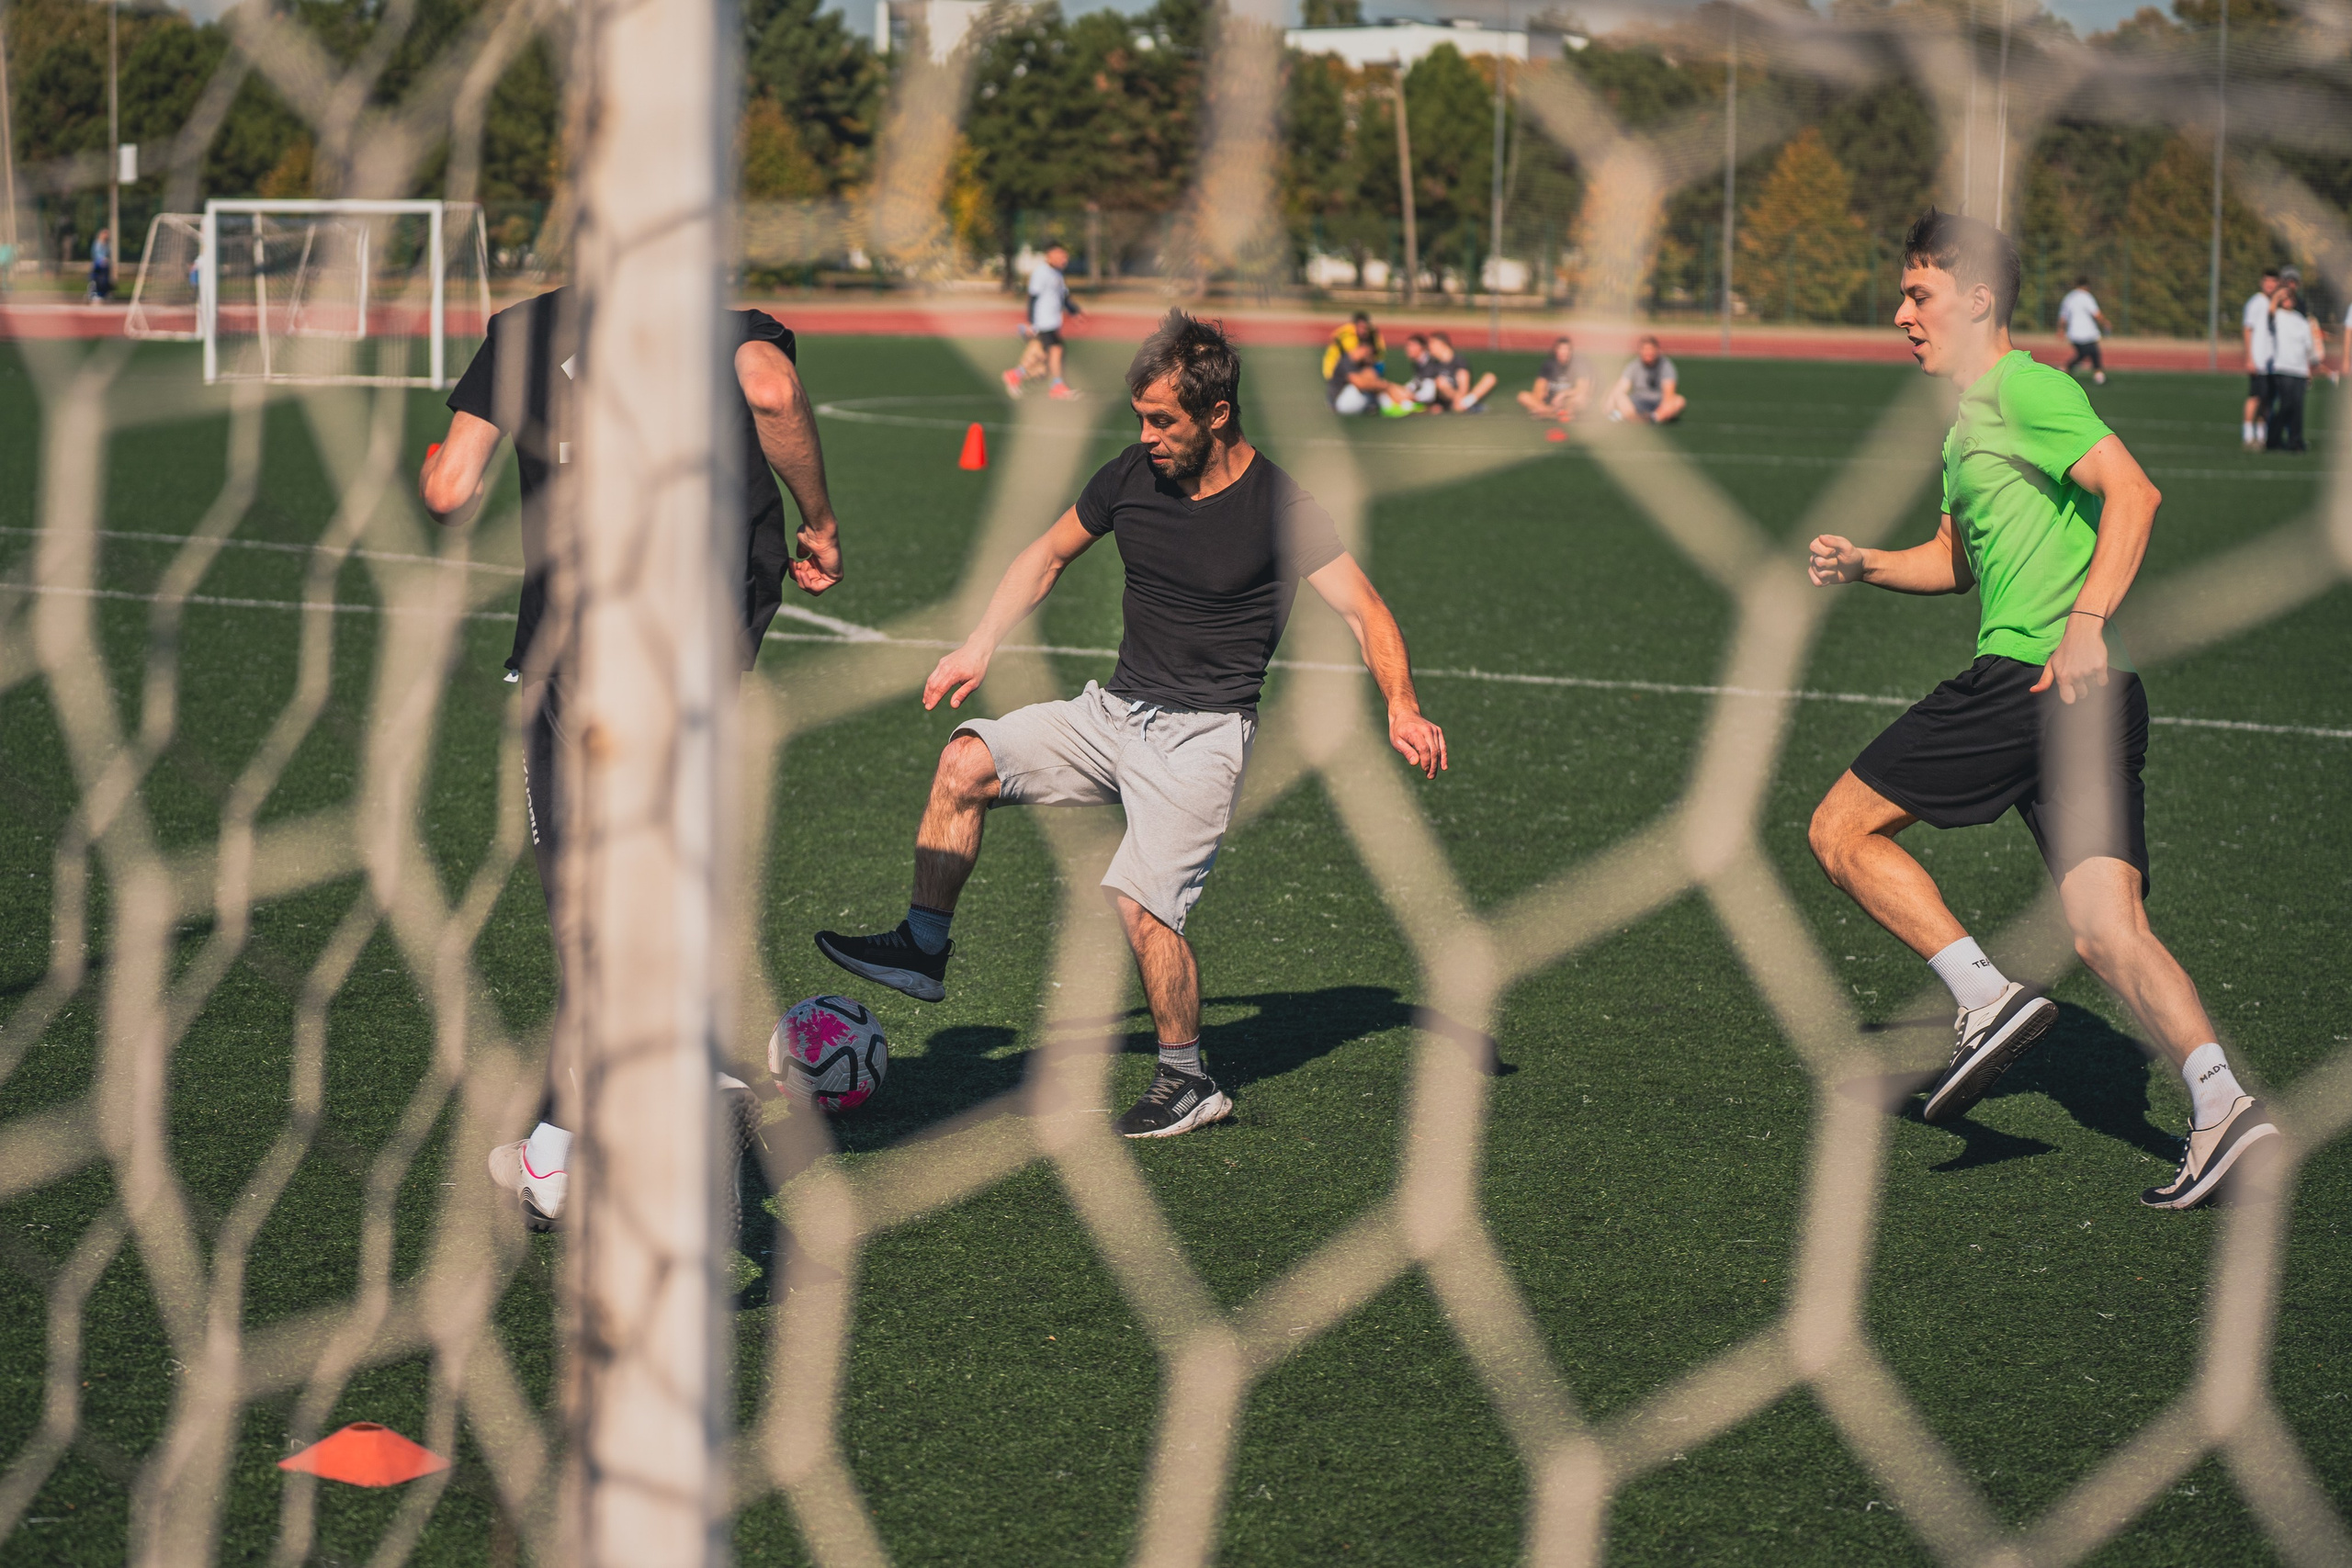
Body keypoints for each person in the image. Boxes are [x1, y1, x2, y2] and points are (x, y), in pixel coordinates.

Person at [814, 310, 1447, 1138]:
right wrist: (979, 642)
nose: (1146, 437)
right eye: (1140, 418)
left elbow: (1366, 611)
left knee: (1141, 904)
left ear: (1217, 413)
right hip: (1112, 712)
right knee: (966, 760)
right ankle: (924, 944)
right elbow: (1047, 554)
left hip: (1204, 736)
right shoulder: (1131, 475)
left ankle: (1188, 1079)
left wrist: (1401, 701)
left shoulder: (1280, 505)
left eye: (1162, 421)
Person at [1806, 209, 2273, 1210]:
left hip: (2036, 678)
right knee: (2106, 930)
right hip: (2092, 699)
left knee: (1839, 830)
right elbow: (1954, 562)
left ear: (1978, 298)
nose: (1902, 315)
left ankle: (1985, 999)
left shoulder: (2026, 388)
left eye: (1919, 295)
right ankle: (2223, 1104)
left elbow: (2134, 493)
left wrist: (2086, 622)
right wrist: (1865, 562)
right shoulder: (1966, 427)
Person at [418, 288, 848, 1226]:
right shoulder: (717, 320)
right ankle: (620, 1111)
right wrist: (816, 520)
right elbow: (773, 391)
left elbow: (451, 489)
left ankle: (564, 1153)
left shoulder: (527, 328)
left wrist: (436, 476)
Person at [1004, 242, 1081, 400]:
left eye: (1065, 256)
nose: (1064, 259)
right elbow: (1033, 297)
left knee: (1043, 355)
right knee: (1055, 350)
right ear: (1050, 255)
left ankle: (1015, 375)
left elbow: (1063, 297)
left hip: (1052, 322)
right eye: (1061, 255)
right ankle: (1056, 386)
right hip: (1043, 322)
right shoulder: (1041, 272)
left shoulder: (1057, 273)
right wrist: (1031, 322)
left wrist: (1074, 312)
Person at [2263, 277, 2316, 453]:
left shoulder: (2301, 320)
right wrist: (2277, 297)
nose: (2287, 300)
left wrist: (2308, 371)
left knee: (2297, 407)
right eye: (2284, 298)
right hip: (2283, 368)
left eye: (2289, 297)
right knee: (2286, 405)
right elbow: (2270, 313)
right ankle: (2273, 439)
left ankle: (2296, 441)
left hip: (2299, 370)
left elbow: (2307, 347)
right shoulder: (2277, 316)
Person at [1328, 335, 1416, 416]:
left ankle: (1400, 403)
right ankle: (1391, 404)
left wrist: (1393, 389)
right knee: (1367, 384)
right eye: (1373, 353)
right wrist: (1388, 387)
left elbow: (1374, 378)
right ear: (1366, 349)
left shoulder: (1364, 364)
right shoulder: (1346, 360)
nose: (1373, 357)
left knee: (1372, 381)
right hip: (1340, 404)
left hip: (1355, 401)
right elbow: (1360, 384)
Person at [2241, 265, 2278, 449]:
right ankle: (2248, 435)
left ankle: (2262, 436)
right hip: (2258, 360)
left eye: (2273, 281)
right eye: (2267, 281)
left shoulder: (2277, 303)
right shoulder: (2256, 302)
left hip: (2273, 363)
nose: (2270, 284)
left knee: (2267, 400)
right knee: (2255, 397)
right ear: (2261, 282)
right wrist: (2250, 357)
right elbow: (2247, 330)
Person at [1607, 336, 1685, 424]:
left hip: (1658, 403)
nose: (1648, 352)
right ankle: (1631, 417)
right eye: (1645, 349)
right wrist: (1610, 404)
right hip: (1638, 403)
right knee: (1618, 396)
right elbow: (1621, 387)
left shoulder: (1665, 366)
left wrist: (1664, 410)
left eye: (1651, 349)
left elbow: (1669, 394)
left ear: (1657, 350)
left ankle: (1652, 418)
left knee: (1679, 401)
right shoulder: (1633, 365)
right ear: (1640, 351)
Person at [1516, 335, 1594, 422]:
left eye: (1567, 349)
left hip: (1568, 402)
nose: (1564, 352)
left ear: (1571, 352)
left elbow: (1581, 389)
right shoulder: (1549, 365)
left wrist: (1563, 394)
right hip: (1550, 404)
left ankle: (1553, 413)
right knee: (1523, 396)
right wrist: (1541, 398)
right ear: (1556, 351)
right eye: (1561, 349)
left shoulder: (1576, 366)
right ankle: (1552, 413)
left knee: (1581, 399)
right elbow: (1539, 388)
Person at [2056, 275, 2109, 385]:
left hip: (2073, 333)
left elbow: (2063, 317)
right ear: (2087, 286)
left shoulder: (2069, 297)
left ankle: (2097, 373)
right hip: (2087, 332)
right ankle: (2066, 368)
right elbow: (2096, 314)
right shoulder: (2087, 297)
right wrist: (2105, 323)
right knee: (2089, 352)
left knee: (2089, 352)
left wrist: (2061, 330)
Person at [1426, 332, 1497, 412]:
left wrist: (1460, 399)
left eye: (1431, 343)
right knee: (1440, 383)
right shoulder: (1433, 364)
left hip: (1463, 397)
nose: (1429, 347)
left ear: (1441, 344)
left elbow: (1464, 383)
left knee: (1490, 378)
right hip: (1448, 401)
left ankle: (1465, 403)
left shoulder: (1459, 361)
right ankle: (1466, 405)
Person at [1321, 310, 1385, 382]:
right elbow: (1353, 356)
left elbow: (1380, 351)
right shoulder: (1347, 335)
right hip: (1334, 370)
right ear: (1354, 326)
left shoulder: (1372, 334)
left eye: (1365, 328)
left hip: (1353, 369)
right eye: (1361, 327)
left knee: (1376, 369)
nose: (1363, 331)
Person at [87, 228, 113, 304]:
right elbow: (96, 255)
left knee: (105, 279)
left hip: (104, 265)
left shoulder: (107, 244)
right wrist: (102, 260)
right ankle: (94, 293)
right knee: (97, 278)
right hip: (98, 264)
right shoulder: (97, 243)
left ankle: (103, 293)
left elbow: (108, 255)